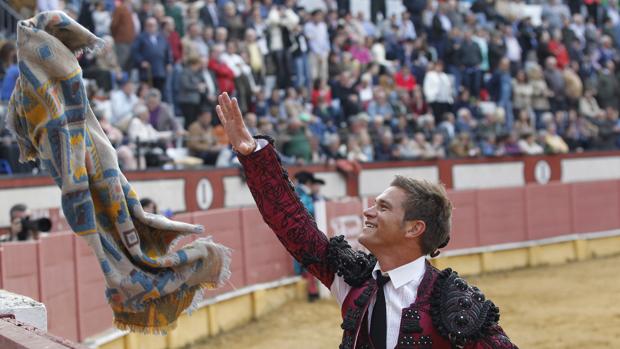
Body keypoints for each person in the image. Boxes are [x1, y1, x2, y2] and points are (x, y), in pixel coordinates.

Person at [214, 92, 517, 349]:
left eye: (383, 208)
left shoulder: (454, 304)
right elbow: (292, 225)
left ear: (414, 228)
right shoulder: (354, 277)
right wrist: (254, 155)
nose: (368, 212)